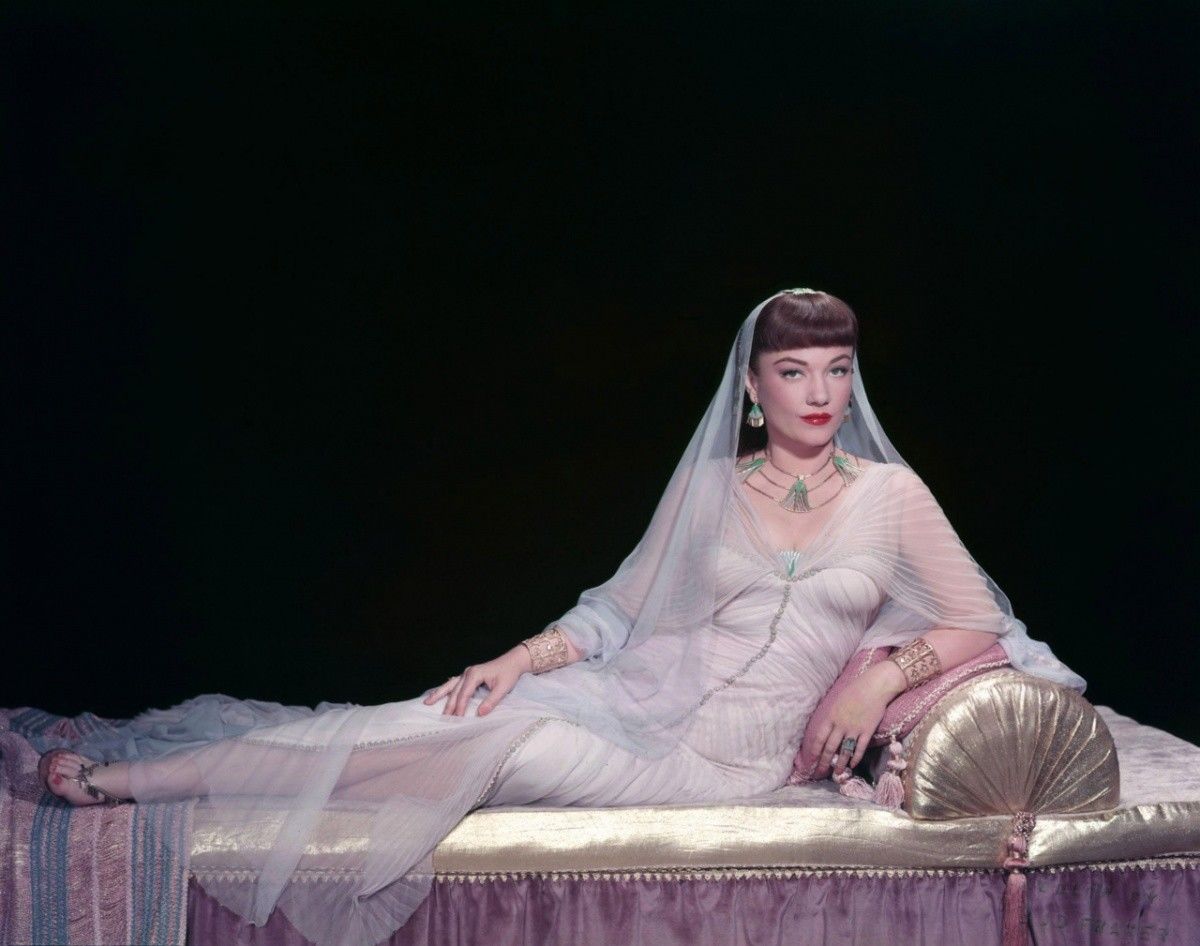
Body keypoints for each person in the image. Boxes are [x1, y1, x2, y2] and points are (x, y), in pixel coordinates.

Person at [36, 288, 1086, 946]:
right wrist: (517, 656)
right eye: (794, 371)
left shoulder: (891, 496)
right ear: (753, 387)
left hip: (722, 763)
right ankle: (138, 780)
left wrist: (880, 676)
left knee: (486, 749)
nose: (820, 391)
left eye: (838, 370)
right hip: (636, 701)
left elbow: (977, 619)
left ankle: (140, 780)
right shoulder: (712, 486)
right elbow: (620, 608)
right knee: (436, 719)